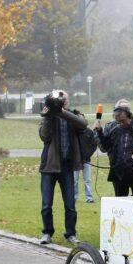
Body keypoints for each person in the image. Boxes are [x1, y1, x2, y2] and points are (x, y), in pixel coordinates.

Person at [38, 90, 87, 244]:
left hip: (67, 165)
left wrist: (62, 113)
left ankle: (70, 233)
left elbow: (83, 125)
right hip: (49, 166)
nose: (61, 101)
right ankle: (47, 233)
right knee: (46, 204)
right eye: (58, 100)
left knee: (70, 204)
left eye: (63, 99)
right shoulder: (48, 117)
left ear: (68, 101)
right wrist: (48, 116)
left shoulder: (74, 115)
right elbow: (44, 137)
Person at [95, 107, 133, 197]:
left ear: (130, 117)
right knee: (120, 203)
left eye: (123, 121)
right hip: (119, 172)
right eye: (118, 121)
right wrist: (99, 132)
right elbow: (105, 147)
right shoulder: (113, 129)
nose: (121, 123)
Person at [72, 109, 95, 204]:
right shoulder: (73, 132)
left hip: (86, 159)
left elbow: (93, 145)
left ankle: (89, 198)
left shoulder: (89, 132)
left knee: (87, 180)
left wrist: (88, 154)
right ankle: (73, 197)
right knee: (74, 180)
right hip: (75, 160)